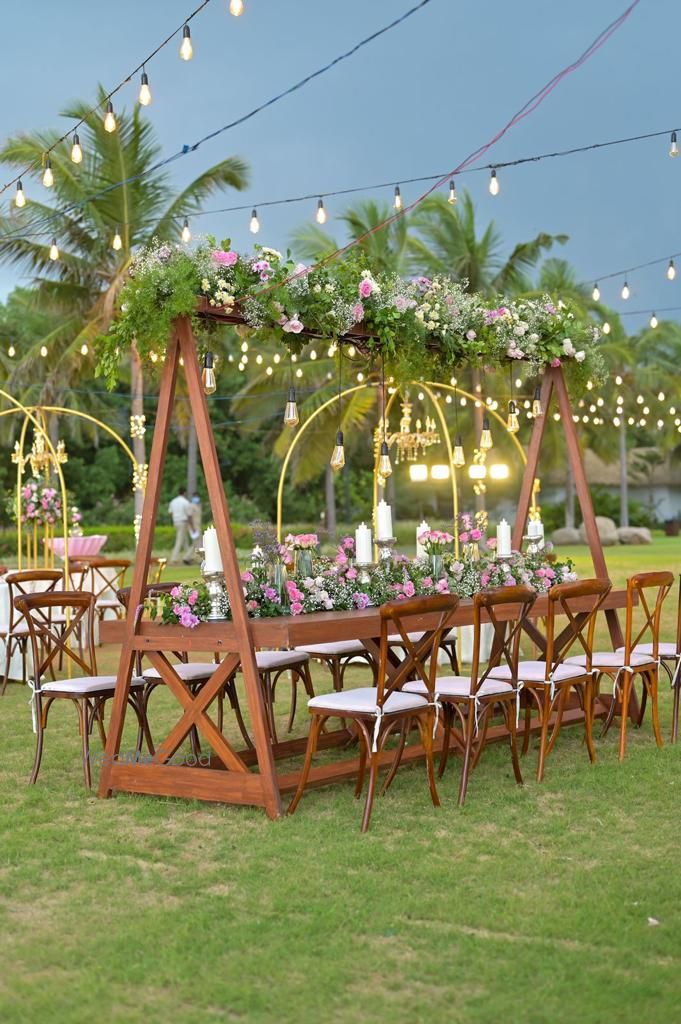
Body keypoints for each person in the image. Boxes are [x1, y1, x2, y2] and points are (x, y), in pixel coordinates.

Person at [168, 487, 195, 564]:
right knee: (179, 540)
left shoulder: (173, 501)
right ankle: (174, 558)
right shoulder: (185, 502)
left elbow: (170, 512)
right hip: (183, 522)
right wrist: (192, 526)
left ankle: (188, 557)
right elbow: (189, 515)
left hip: (176, 522)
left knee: (184, 540)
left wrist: (175, 517)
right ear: (184, 493)